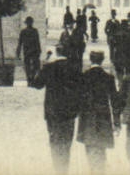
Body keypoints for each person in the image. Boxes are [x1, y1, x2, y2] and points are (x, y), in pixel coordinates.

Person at [30, 44, 87, 174]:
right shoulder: (74, 68)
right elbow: (82, 88)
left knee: (54, 141)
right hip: (69, 112)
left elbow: (37, 84)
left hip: (52, 111)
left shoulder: (49, 67)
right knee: (67, 142)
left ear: (57, 52)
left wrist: (41, 68)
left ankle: (58, 169)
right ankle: (64, 169)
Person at [78, 50, 119, 172]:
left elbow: (78, 98)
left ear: (90, 60)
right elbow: (115, 101)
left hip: (87, 116)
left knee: (89, 144)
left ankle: (93, 170)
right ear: (102, 60)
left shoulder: (83, 76)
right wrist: (117, 122)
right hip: (103, 116)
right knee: (101, 147)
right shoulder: (108, 78)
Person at [16, 15, 42, 83]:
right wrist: (18, 52)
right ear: (26, 23)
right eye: (28, 22)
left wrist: (39, 50)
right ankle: (29, 78)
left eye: (30, 22)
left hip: (33, 51)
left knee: (35, 66)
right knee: (27, 66)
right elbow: (20, 42)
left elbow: (37, 41)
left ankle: (32, 78)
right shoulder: (23, 32)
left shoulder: (35, 31)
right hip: (27, 51)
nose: (29, 24)